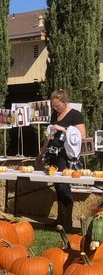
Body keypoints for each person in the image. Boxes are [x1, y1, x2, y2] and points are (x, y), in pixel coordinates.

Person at [46, 89, 86, 233]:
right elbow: (50, 135)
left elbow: (82, 135)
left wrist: (61, 128)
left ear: (64, 102)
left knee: (64, 187)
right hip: (53, 154)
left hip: (65, 155)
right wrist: (41, 153)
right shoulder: (53, 115)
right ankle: (59, 219)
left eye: (57, 106)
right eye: (53, 106)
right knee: (57, 186)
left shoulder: (75, 115)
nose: (55, 109)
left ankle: (67, 221)